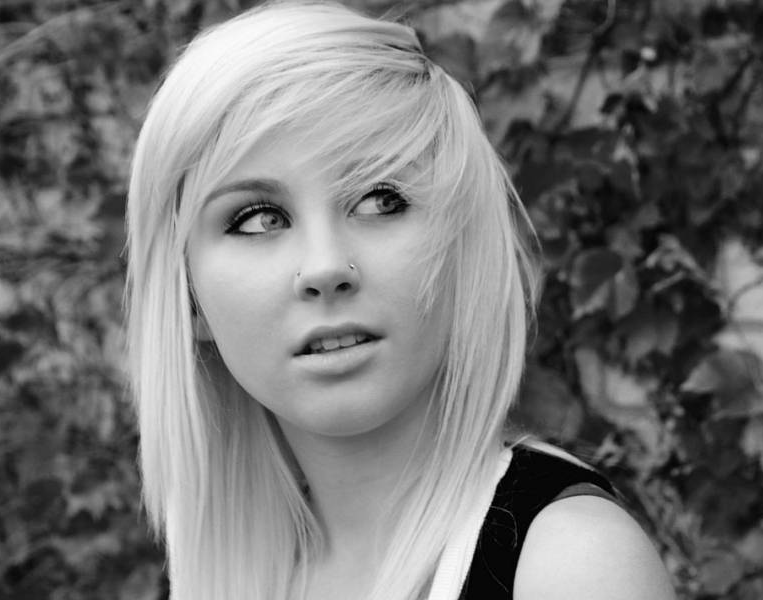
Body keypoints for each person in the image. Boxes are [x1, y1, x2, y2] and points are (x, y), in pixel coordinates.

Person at [125, 1, 677, 599]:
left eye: (380, 199)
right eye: (259, 219)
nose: (326, 267)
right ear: (189, 297)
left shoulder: (571, 564)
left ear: (462, 248)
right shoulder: (219, 573)